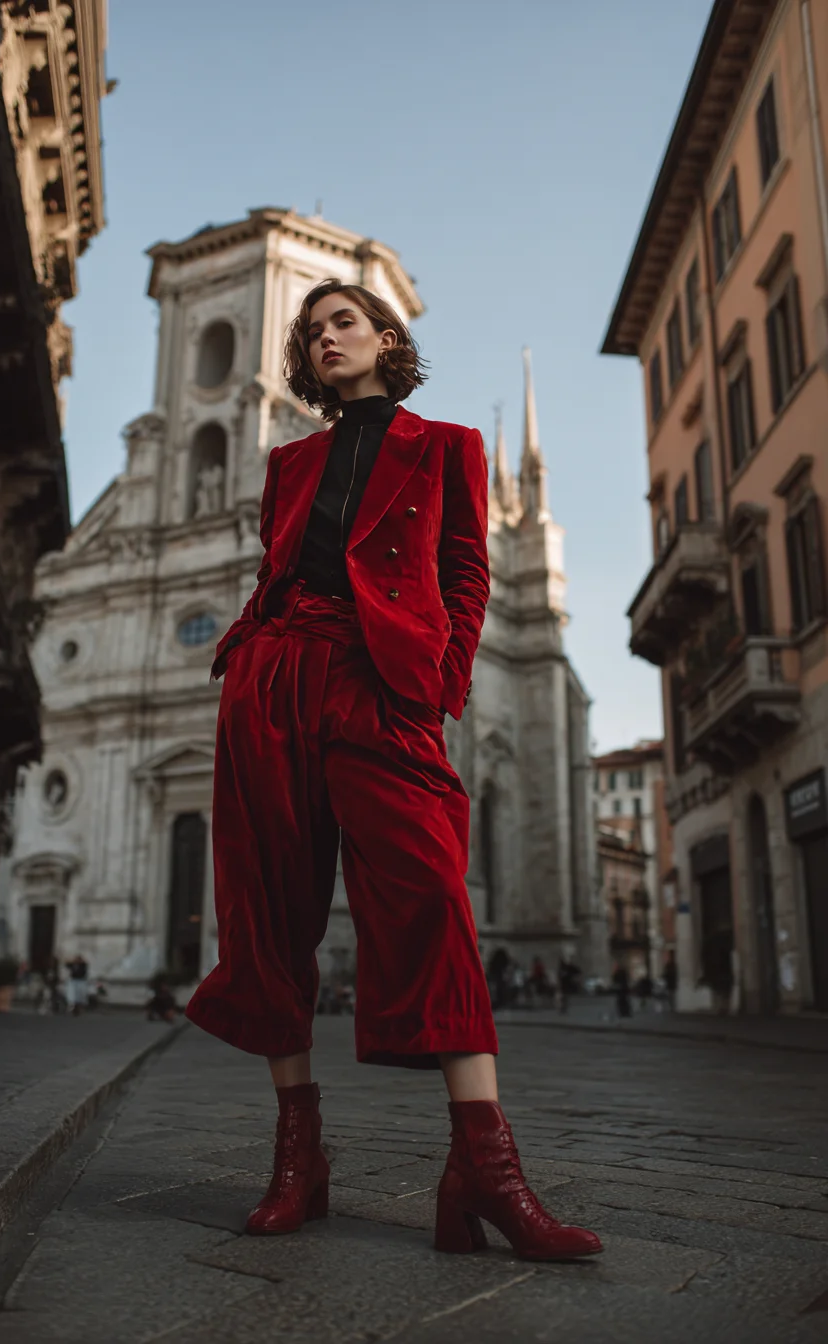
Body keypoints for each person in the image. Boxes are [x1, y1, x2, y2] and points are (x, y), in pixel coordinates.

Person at [185, 278, 601, 1263]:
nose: (326, 338)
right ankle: (299, 1158)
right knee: (268, 907)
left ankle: (484, 1170)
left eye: (344, 322)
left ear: (385, 338)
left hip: (381, 683)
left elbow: (465, 574)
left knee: (431, 898)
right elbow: (274, 573)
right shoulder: (287, 464)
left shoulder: (447, 446)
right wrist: (245, 654)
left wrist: (438, 685)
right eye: (312, 328)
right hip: (276, 676)